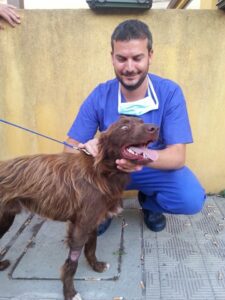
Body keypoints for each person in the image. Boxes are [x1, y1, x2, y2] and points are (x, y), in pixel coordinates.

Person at [64, 19, 205, 234]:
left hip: (151, 167)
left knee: (191, 199)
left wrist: (139, 157)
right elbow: (68, 149)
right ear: (112, 58)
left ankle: (149, 203)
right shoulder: (100, 95)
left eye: (137, 58)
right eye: (121, 58)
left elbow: (177, 156)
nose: (129, 67)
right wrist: (87, 148)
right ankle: (105, 205)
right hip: (111, 170)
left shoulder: (170, 93)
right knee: (74, 187)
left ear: (150, 55)